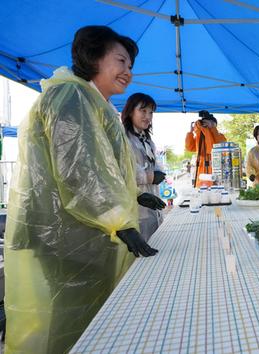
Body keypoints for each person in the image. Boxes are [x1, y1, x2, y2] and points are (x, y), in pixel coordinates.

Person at [3, 26, 159, 354]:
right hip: (67, 235)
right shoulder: (70, 97)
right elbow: (78, 171)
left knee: (92, 318)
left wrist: (133, 194)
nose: (128, 72)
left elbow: (100, 167)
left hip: (83, 232)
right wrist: (119, 219)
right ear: (92, 58)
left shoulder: (89, 100)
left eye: (131, 66)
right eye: (121, 61)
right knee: (73, 324)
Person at [121, 92, 166, 241]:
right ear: (130, 111)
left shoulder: (147, 140)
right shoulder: (123, 138)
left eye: (151, 112)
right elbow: (121, 172)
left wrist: (159, 173)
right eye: (143, 110)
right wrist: (149, 176)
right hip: (135, 210)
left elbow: (158, 165)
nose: (148, 116)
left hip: (152, 204)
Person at [185, 110, 226, 187]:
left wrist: (212, 129)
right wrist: (190, 132)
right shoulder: (199, 137)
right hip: (201, 171)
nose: (205, 125)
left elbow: (214, 147)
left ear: (215, 124)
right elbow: (189, 147)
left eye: (209, 123)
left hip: (215, 170)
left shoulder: (220, 136)